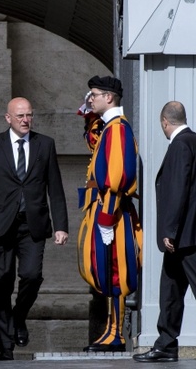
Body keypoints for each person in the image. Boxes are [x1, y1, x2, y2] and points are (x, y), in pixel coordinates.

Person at [0, 97, 69, 361]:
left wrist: (61, 226)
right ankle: (5, 347)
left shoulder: (44, 144)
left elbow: (55, 188)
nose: (26, 120)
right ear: (8, 118)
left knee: (32, 275)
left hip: (32, 224)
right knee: (1, 284)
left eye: (29, 115)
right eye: (21, 116)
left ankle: (18, 316)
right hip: (0, 224)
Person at [77, 76, 142, 353]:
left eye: (94, 95)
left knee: (114, 272)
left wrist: (105, 218)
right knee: (104, 271)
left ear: (109, 97)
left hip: (111, 212)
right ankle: (111, 330)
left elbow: (116, 177)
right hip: (104, 208)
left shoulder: (117, 129)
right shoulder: (109, 127)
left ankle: (116, 333)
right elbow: (94, 146)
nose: (89, 99)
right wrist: (89, 115)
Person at [133, 101, 196, 363]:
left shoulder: (181, 145)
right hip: (184, 233)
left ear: (164, 122)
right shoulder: (193, 141)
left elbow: (177, 189)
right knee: (169, 290)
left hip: (185, 234)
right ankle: (166, 344)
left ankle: (166, 343)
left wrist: (169, 230)